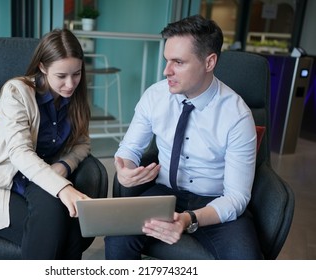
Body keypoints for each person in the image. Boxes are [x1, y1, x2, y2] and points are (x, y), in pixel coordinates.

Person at [105, 15, 263, 260]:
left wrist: (189, 219)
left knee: (246, 261)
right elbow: (130, 148)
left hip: (215, 201)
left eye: (178, 62)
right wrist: (125, 168)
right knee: (117, 237)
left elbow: (236, 196)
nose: (166, 71)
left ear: (209, 62)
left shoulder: (237, 115)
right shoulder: (155, 96)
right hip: (164, 193)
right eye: (167, 60)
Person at [0, 29, 92, 259]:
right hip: (4, 182)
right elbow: (20, 152)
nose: (70, 84)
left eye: (76, 74)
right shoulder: (17, 92)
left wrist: (64, 165)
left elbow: (83, 144)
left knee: (71, 232)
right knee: (56, 232)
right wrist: (63, 187)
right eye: (61, 76)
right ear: (42, 66)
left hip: (43, 177)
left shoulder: (75, 98)